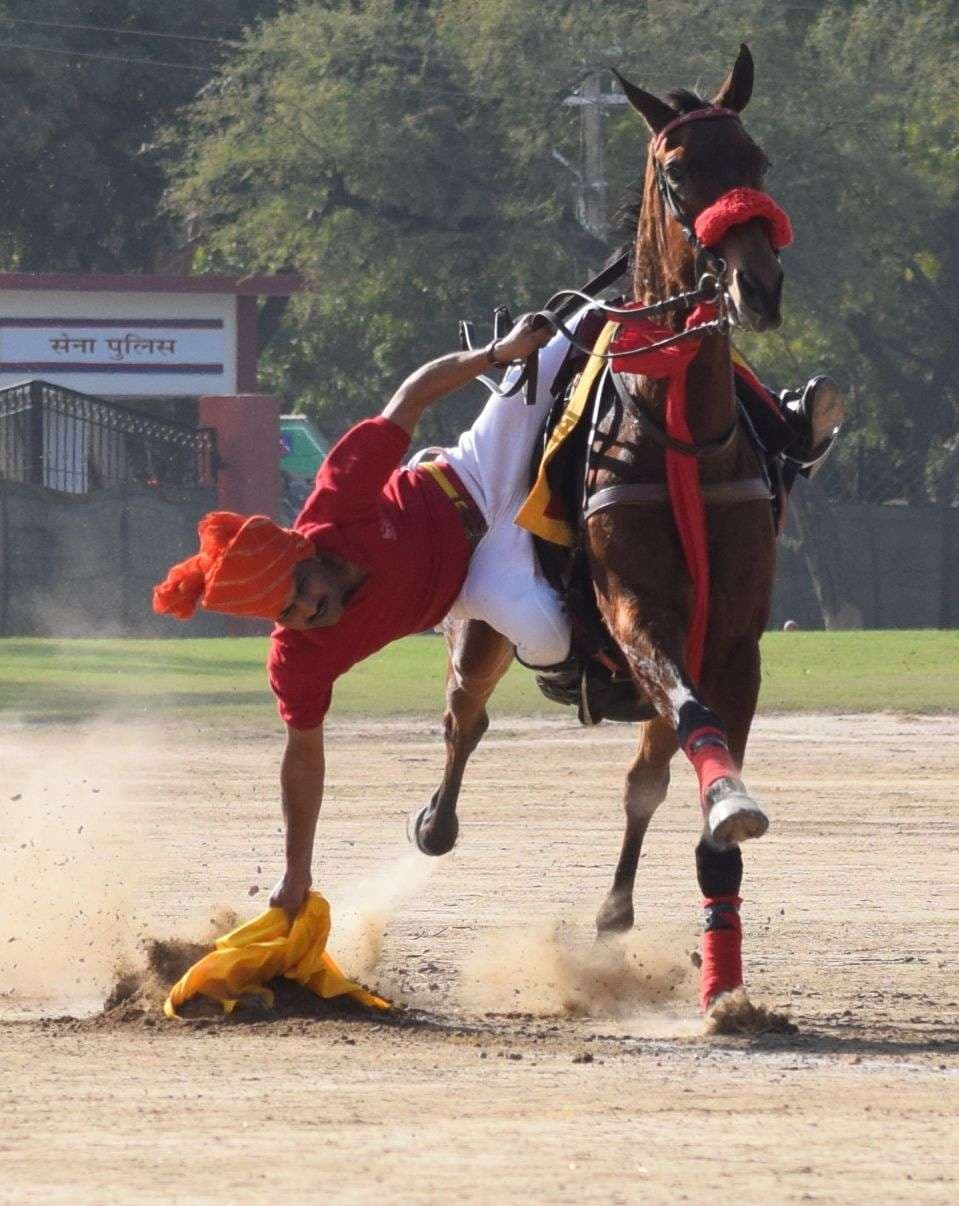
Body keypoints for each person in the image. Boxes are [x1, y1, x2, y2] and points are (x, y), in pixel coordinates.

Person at [153, 311, 841, 914]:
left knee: (583, 321)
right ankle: (608, 671)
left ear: (303, 548)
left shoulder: (335, 498)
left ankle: (786, 430)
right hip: (477, 579)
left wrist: (498, 354)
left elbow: (412, 394)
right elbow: (302, 759)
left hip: (476, 476)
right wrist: (294, 873)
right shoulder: (297, 660)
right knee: (542, 632)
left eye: (302, 590)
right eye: (292, 615)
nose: (311, 611)